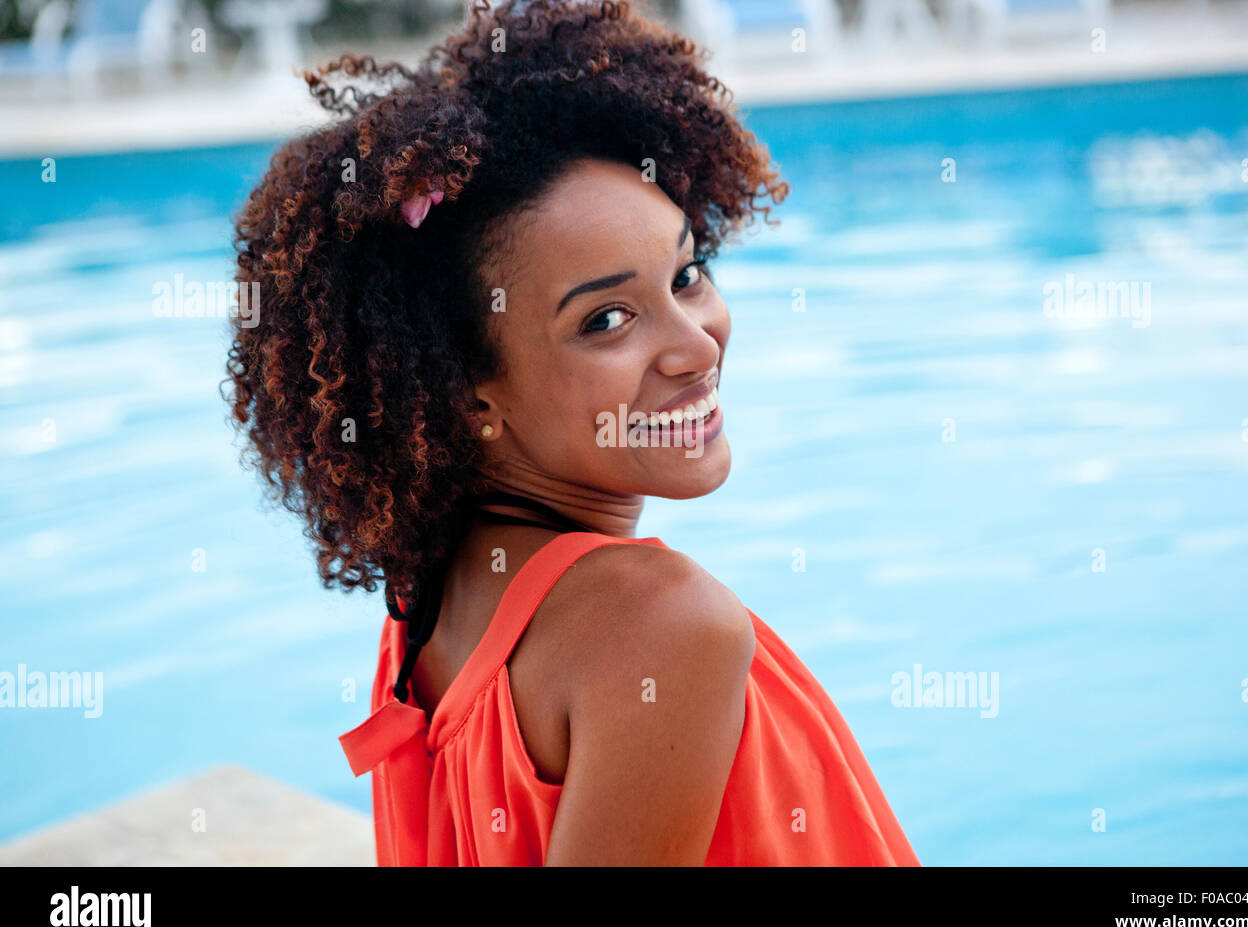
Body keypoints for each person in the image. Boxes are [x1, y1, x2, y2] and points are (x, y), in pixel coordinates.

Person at [225, 0, 920, 866]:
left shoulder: (429, 601)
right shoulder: (662, 624)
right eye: (608, 319)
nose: (697, 344)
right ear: (468, 396)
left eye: (688, 272)